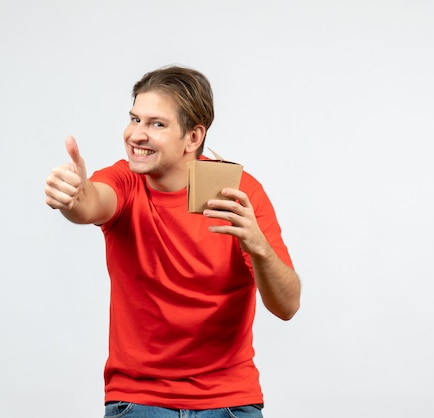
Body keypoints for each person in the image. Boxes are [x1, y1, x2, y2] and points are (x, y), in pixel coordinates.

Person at [44, 65, 301, 418]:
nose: (136, 134)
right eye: (134, 119)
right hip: (138, 400)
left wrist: (258, 247)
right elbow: (91, 203)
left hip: (229, 400)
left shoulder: (241, 194)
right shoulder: (125, 181)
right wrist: (72, 196)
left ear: (193, 138)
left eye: (156, 124)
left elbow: (288, 306)